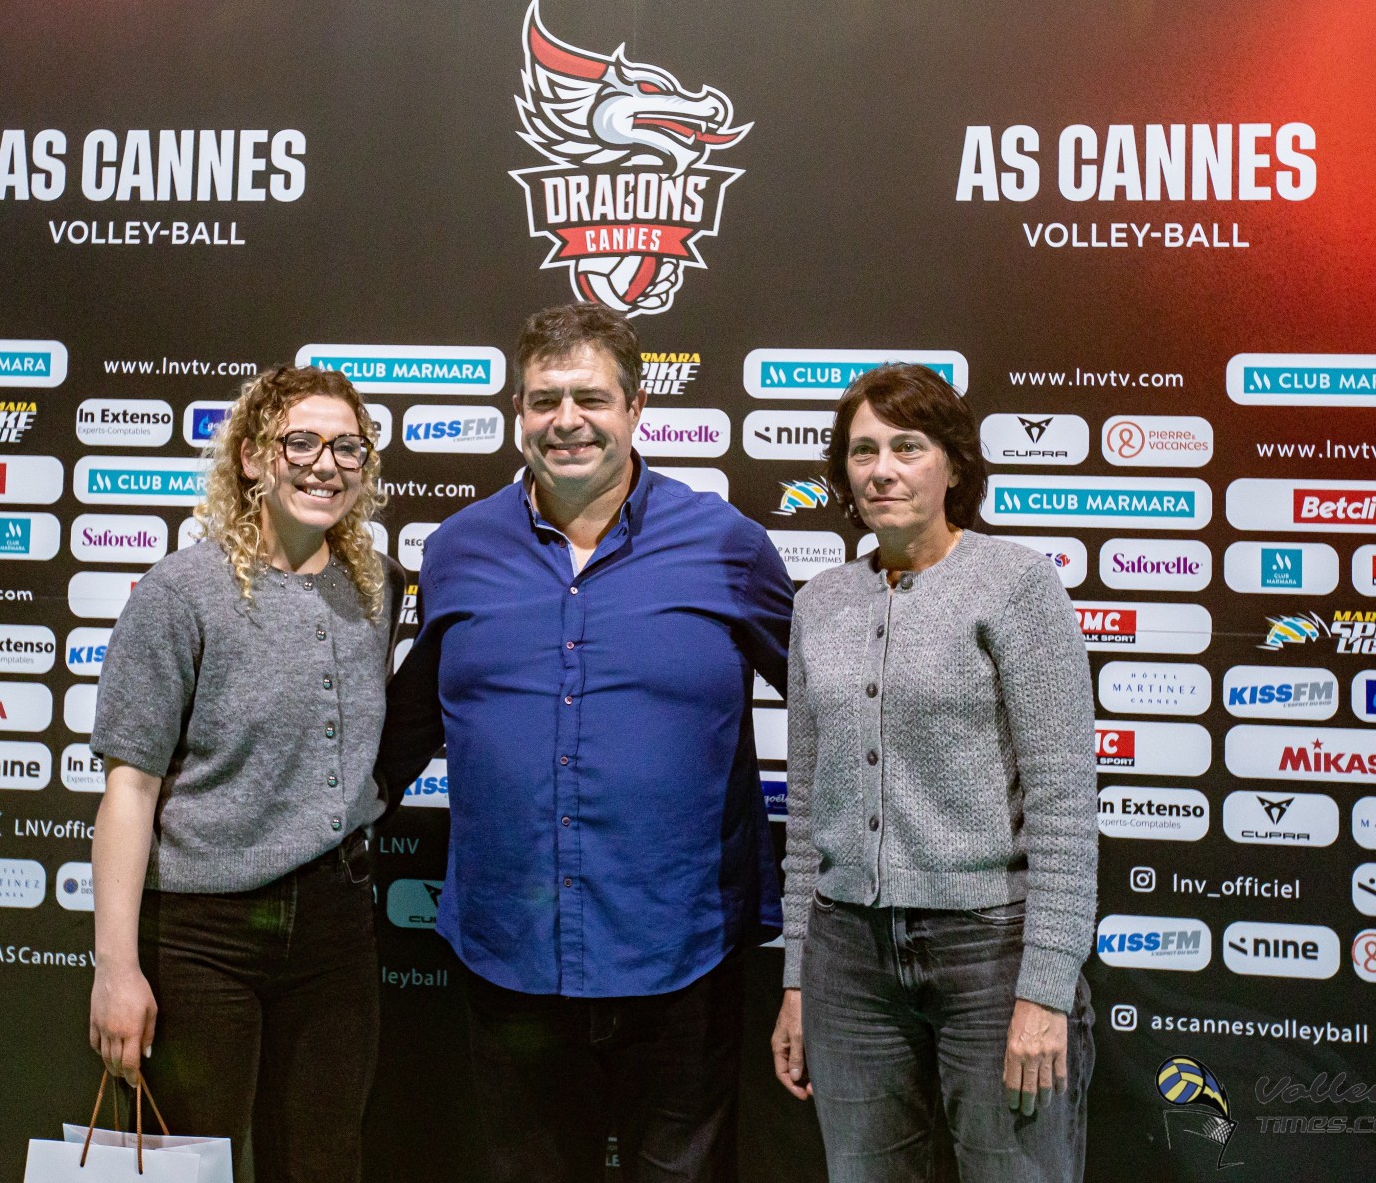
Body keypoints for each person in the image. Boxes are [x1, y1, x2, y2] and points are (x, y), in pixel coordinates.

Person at [376, 302, 794, 1183]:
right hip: (509, 953)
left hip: (682, 951)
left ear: (635, 408)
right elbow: (405, 727)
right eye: (544, 400)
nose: (567, 420)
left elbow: (835, 708)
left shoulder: (729, 548)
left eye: (591, 398)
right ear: (518, 413)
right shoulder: (456, 551)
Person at [769, 363, 1098, 1183]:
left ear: (952, 464)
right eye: (863, 451)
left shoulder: (1015, 585)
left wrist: (1046, 990)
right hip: (847, 958)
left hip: (991, 952)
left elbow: (1062, 803)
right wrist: (798, 978)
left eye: (907, 447)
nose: (881, 470)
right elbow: (806, 808)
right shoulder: (819, 603)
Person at [87, 364, 400, 1183]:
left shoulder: (374, 589)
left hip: (335, 927)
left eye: (347, 448)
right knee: (192, 1163)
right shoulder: (180, 593)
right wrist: (116, 969)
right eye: (301, 443)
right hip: (204, 935)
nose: (325, 465)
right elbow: (129, 791)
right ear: (254, 457)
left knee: (326, 1162)